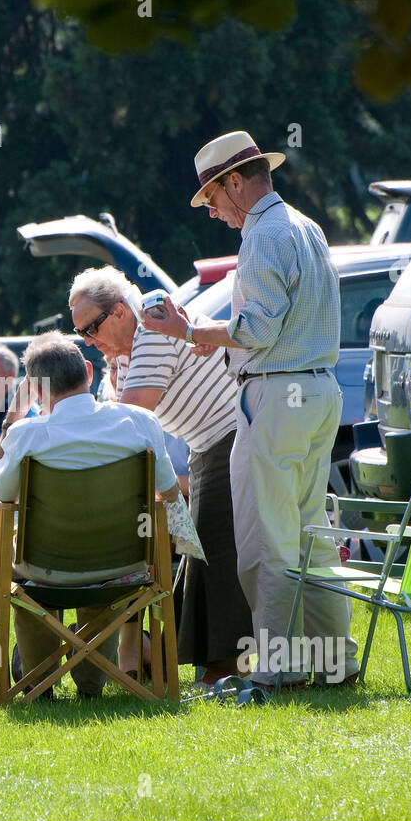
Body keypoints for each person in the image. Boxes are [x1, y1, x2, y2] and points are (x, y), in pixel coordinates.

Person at [143, 129, 359, 689]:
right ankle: (337, 664)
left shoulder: (263, 235)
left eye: (213, 199)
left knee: (266, 542)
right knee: (311, 535)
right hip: (317, 392)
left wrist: (189, 329)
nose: (213, 213)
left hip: (277, 394)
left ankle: (273, 672)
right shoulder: (306, 226)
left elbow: (255, 329)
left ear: (235, 182)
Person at [68, 266, 249, 692]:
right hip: (207, 444)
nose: (89, 341)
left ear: (117, 313)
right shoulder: (124, 353)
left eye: (91, 328)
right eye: (80, 334)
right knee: (198, 553)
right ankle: (167, 655)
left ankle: (220, 666)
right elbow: (114, 423)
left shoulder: (151, 329)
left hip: (229, 436)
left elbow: (131, 419)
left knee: (214, 555)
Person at [0, 332, 181, 699]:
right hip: (121, 566)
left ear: (35, 390)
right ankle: (92, 679)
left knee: (28, 568)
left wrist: (12, 419)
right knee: (101, 562)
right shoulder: (140, 422)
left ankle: (38, 677)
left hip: (45, 568)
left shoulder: (26, 433)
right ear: (89, 372)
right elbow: (169, 494)